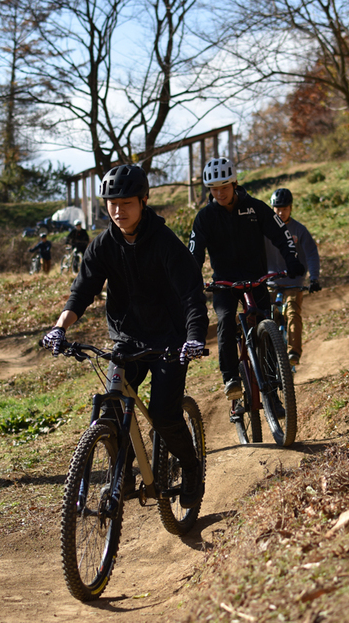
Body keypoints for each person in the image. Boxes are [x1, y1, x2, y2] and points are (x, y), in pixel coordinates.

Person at [41, 164, 207, 508]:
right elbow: (81, 291)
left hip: (169, 340)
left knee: (163, 414)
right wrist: (60, 327)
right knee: (113, 408)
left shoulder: (164, 243)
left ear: (144, 201)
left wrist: (193, 337)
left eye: (127, 203)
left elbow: (191, 294)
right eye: (111, 204)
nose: (118, 211)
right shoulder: (102, 245)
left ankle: (191, 468)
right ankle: (124, 475)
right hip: (127, 338)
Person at [188, 156, 305, 401]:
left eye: (224, 187)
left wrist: (292, 259)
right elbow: (194, 255)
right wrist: (191, 280)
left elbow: (281, 234)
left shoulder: (255, 207)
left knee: (268, 326)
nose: (219, 193)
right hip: (224, 283)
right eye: (214, 189)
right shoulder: (205, 218)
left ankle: (272, 390)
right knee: (225, 321)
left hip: (257, 279)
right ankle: (230, 377)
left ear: (234, 184)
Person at [264, 188, 321, 367]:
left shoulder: (299, 230)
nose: (281, 212)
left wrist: (314, 278)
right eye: (277, 209)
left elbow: (311, 253)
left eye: (285, 208)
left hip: (294, 282)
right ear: (272, 209)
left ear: (291, 208)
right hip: (270, 281)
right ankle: (267, 354)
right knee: (265, 316)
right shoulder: (265, 230)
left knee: (292, 312)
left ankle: (293, 352)